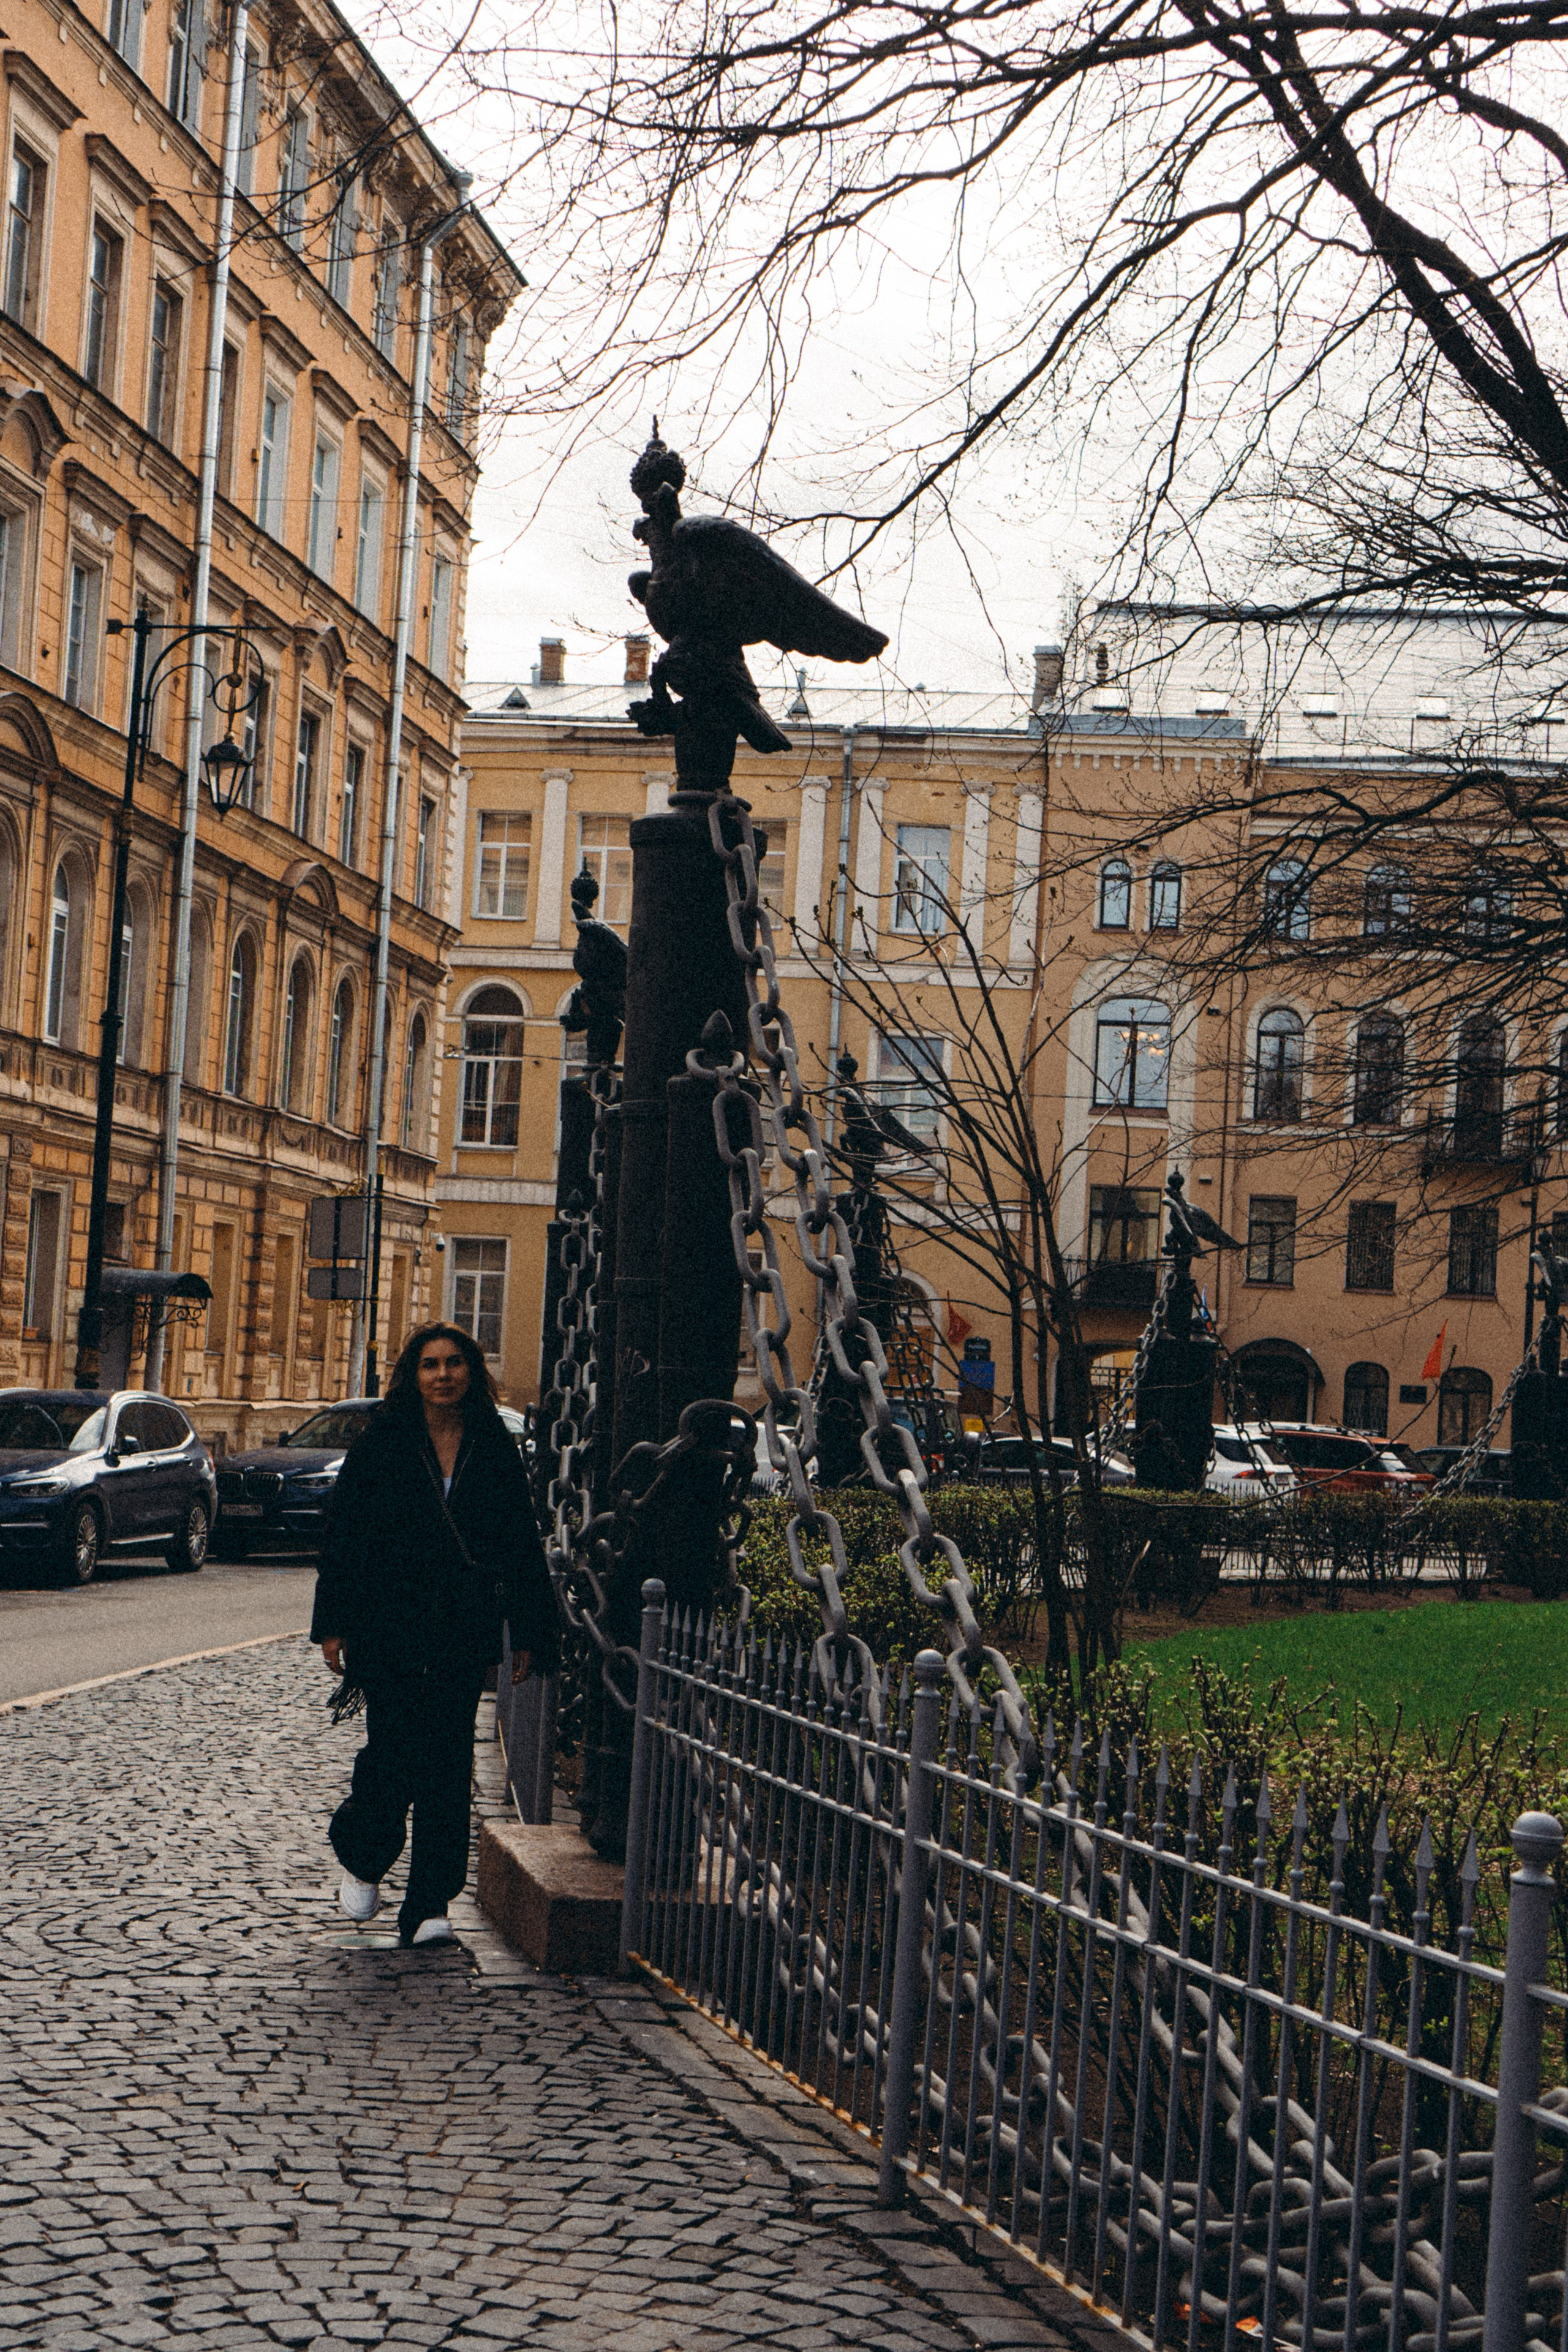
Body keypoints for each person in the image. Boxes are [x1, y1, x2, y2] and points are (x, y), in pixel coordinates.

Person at [311, 1322, 559, 1948]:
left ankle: (428, 1906)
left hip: (460, 1627)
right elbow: (344, 1537)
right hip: (388, 1623)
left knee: (447, 1765)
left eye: (453, 1363)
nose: (442, 1375)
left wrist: (528, 1629)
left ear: (470, 1372)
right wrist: (333, 1624)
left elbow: (519, 1544)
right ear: (412, 1375)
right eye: (429, 1365)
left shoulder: (494, 1448)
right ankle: (365, 1854)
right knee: (391, 1757)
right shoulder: (383, 1443)